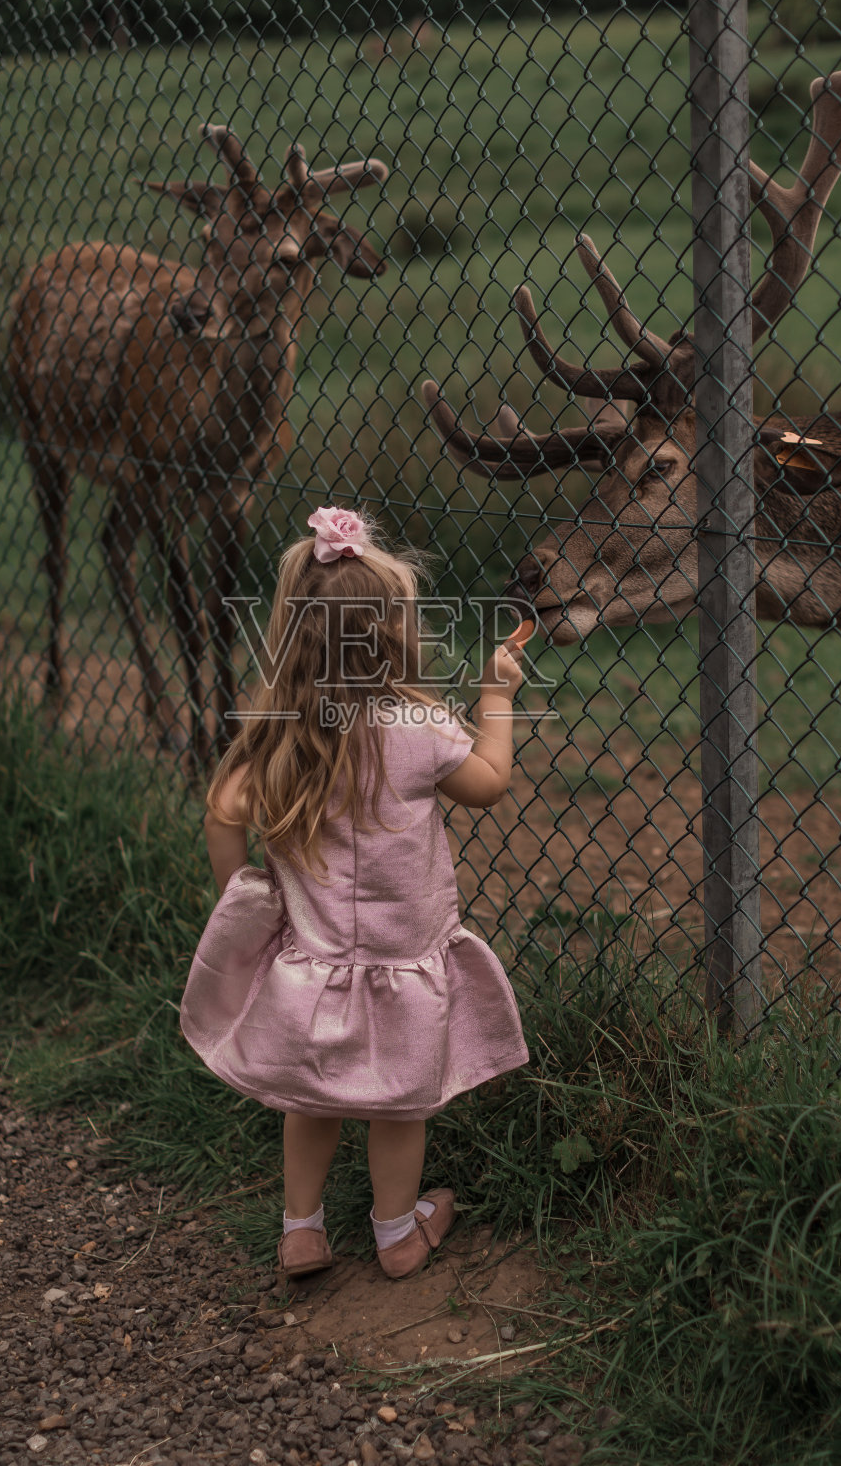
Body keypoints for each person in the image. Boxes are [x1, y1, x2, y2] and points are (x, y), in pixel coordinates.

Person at [181, 505, 529, 1281]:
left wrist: (247, 894)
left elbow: (221, 813)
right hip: (407, 964)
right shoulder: (419, 728)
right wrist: (496, 697)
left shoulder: (276, 734)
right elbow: (490, 785)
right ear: (395, 635)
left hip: (312, 964)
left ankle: (300, 1230)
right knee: (401, 1106)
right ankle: (398, 1234)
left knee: (312, 1098)